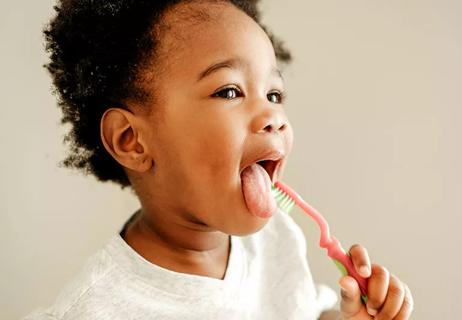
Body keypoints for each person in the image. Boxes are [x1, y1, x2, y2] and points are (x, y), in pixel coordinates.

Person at [25, 0, 413, 319]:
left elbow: (303, 309)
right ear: (132, 141)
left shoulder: (276, 238)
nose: (273, 117)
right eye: (229, 91)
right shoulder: (99, 309)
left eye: (274, 95)